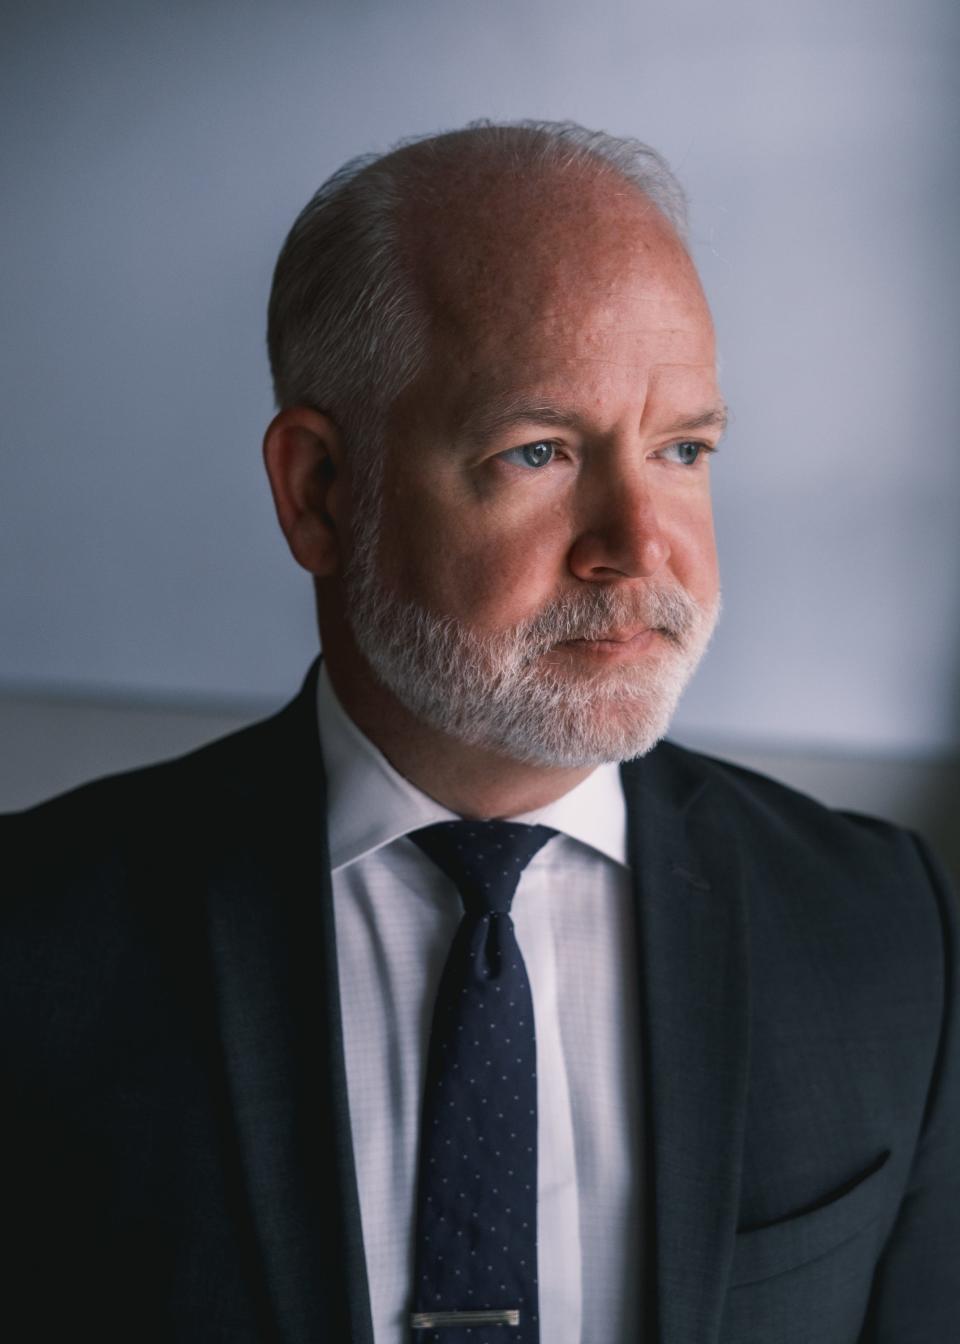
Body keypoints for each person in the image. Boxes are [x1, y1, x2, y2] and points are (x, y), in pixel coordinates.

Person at [2, 121, 957, 1344]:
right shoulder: (34, 946)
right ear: (320, 492)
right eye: (540, 451)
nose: (639, 544)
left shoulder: (882, 931)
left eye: (683, 450)